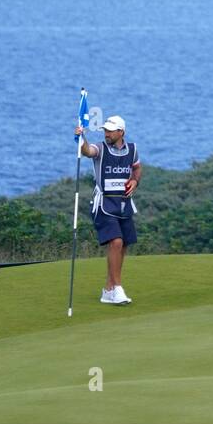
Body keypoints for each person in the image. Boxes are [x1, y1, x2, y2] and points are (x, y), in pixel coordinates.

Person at [74, 115, 141, 305]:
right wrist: (81, 138)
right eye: (105, 130)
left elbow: (136, 168)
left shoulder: (132, 149)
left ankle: (109, 289)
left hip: (124, 204)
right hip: (103, 204)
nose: (107, 133)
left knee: (124, 244)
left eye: (111, 130)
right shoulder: (101, 148)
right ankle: (117, 289)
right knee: (116, 242)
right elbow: (87, 151)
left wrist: (135, 181)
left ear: (121, 132)